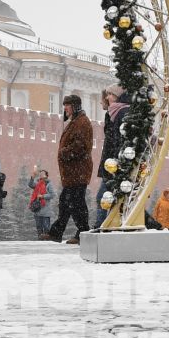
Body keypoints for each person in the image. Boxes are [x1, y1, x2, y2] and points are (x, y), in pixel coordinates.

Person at [44, 93, 93, 244]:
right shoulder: (76, 121)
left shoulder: (82, 122)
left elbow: (81, 146)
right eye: (64, 104)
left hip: (78, 171)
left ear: (75, 106)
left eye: (67, 105)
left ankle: (82, 233)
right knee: (66, 202)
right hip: (73, 172)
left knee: (76, 203)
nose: (65, 108)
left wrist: (64, 152)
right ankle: (57, 233)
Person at [96, 87, 127, 222]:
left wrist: (114, 160)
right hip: (111, 163)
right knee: (118, 199)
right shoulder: (113, 114)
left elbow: (117, 140)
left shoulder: (120, 113)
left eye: (110, 94)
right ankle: (102, 225)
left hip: (114, 164)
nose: (106, 98)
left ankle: (101, 226)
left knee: (104, 197)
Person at [28, 168, 53, 237]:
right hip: (37, 208)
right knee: (39, 228)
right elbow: (30, 184)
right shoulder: (37, 184)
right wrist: (32, 177)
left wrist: (43, 196)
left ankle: (47, 242)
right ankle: (40, 240)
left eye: (43, 173)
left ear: (46, 176)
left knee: (46, 228)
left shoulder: (49, 184)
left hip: (45, 210)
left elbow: (52, 195)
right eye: (40, 173)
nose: (41, 174)